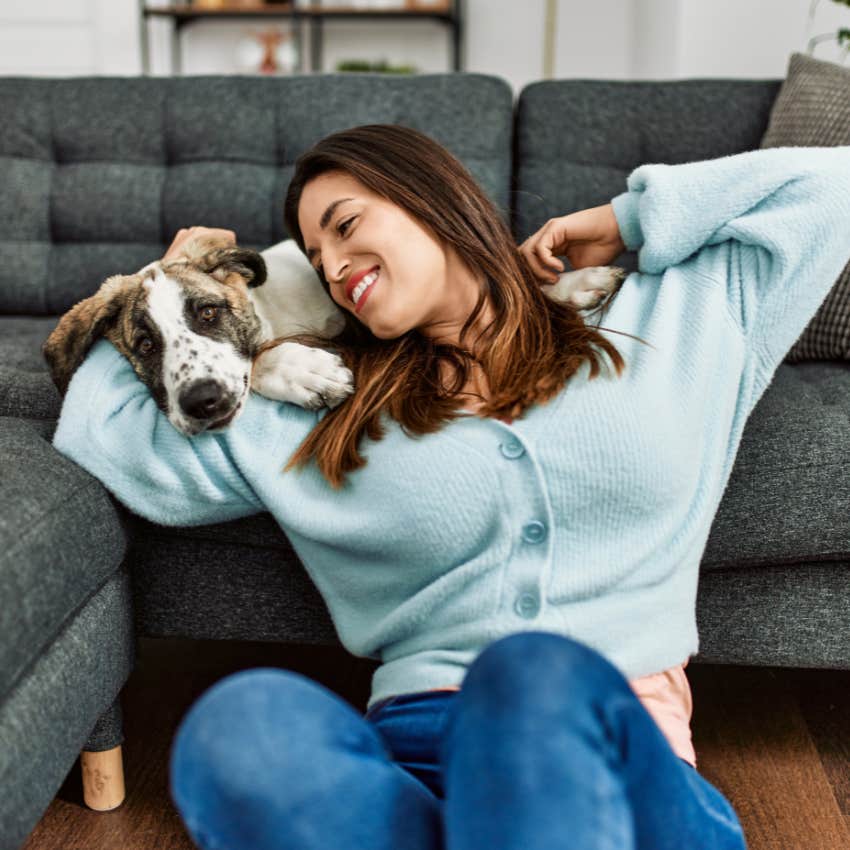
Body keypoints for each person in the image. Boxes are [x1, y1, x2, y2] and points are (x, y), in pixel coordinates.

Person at [52, 124, 850, 850]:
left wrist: (625, 218)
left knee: (532, 677)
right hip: (409, 760)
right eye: (313, 256)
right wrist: (156, 291)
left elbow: (832, 185)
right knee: (240, 725)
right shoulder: (315, 406)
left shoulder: (672, 320)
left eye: (346, 225)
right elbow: (99, 435)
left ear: (434, 198)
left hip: (608, 765)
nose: (330, 267)